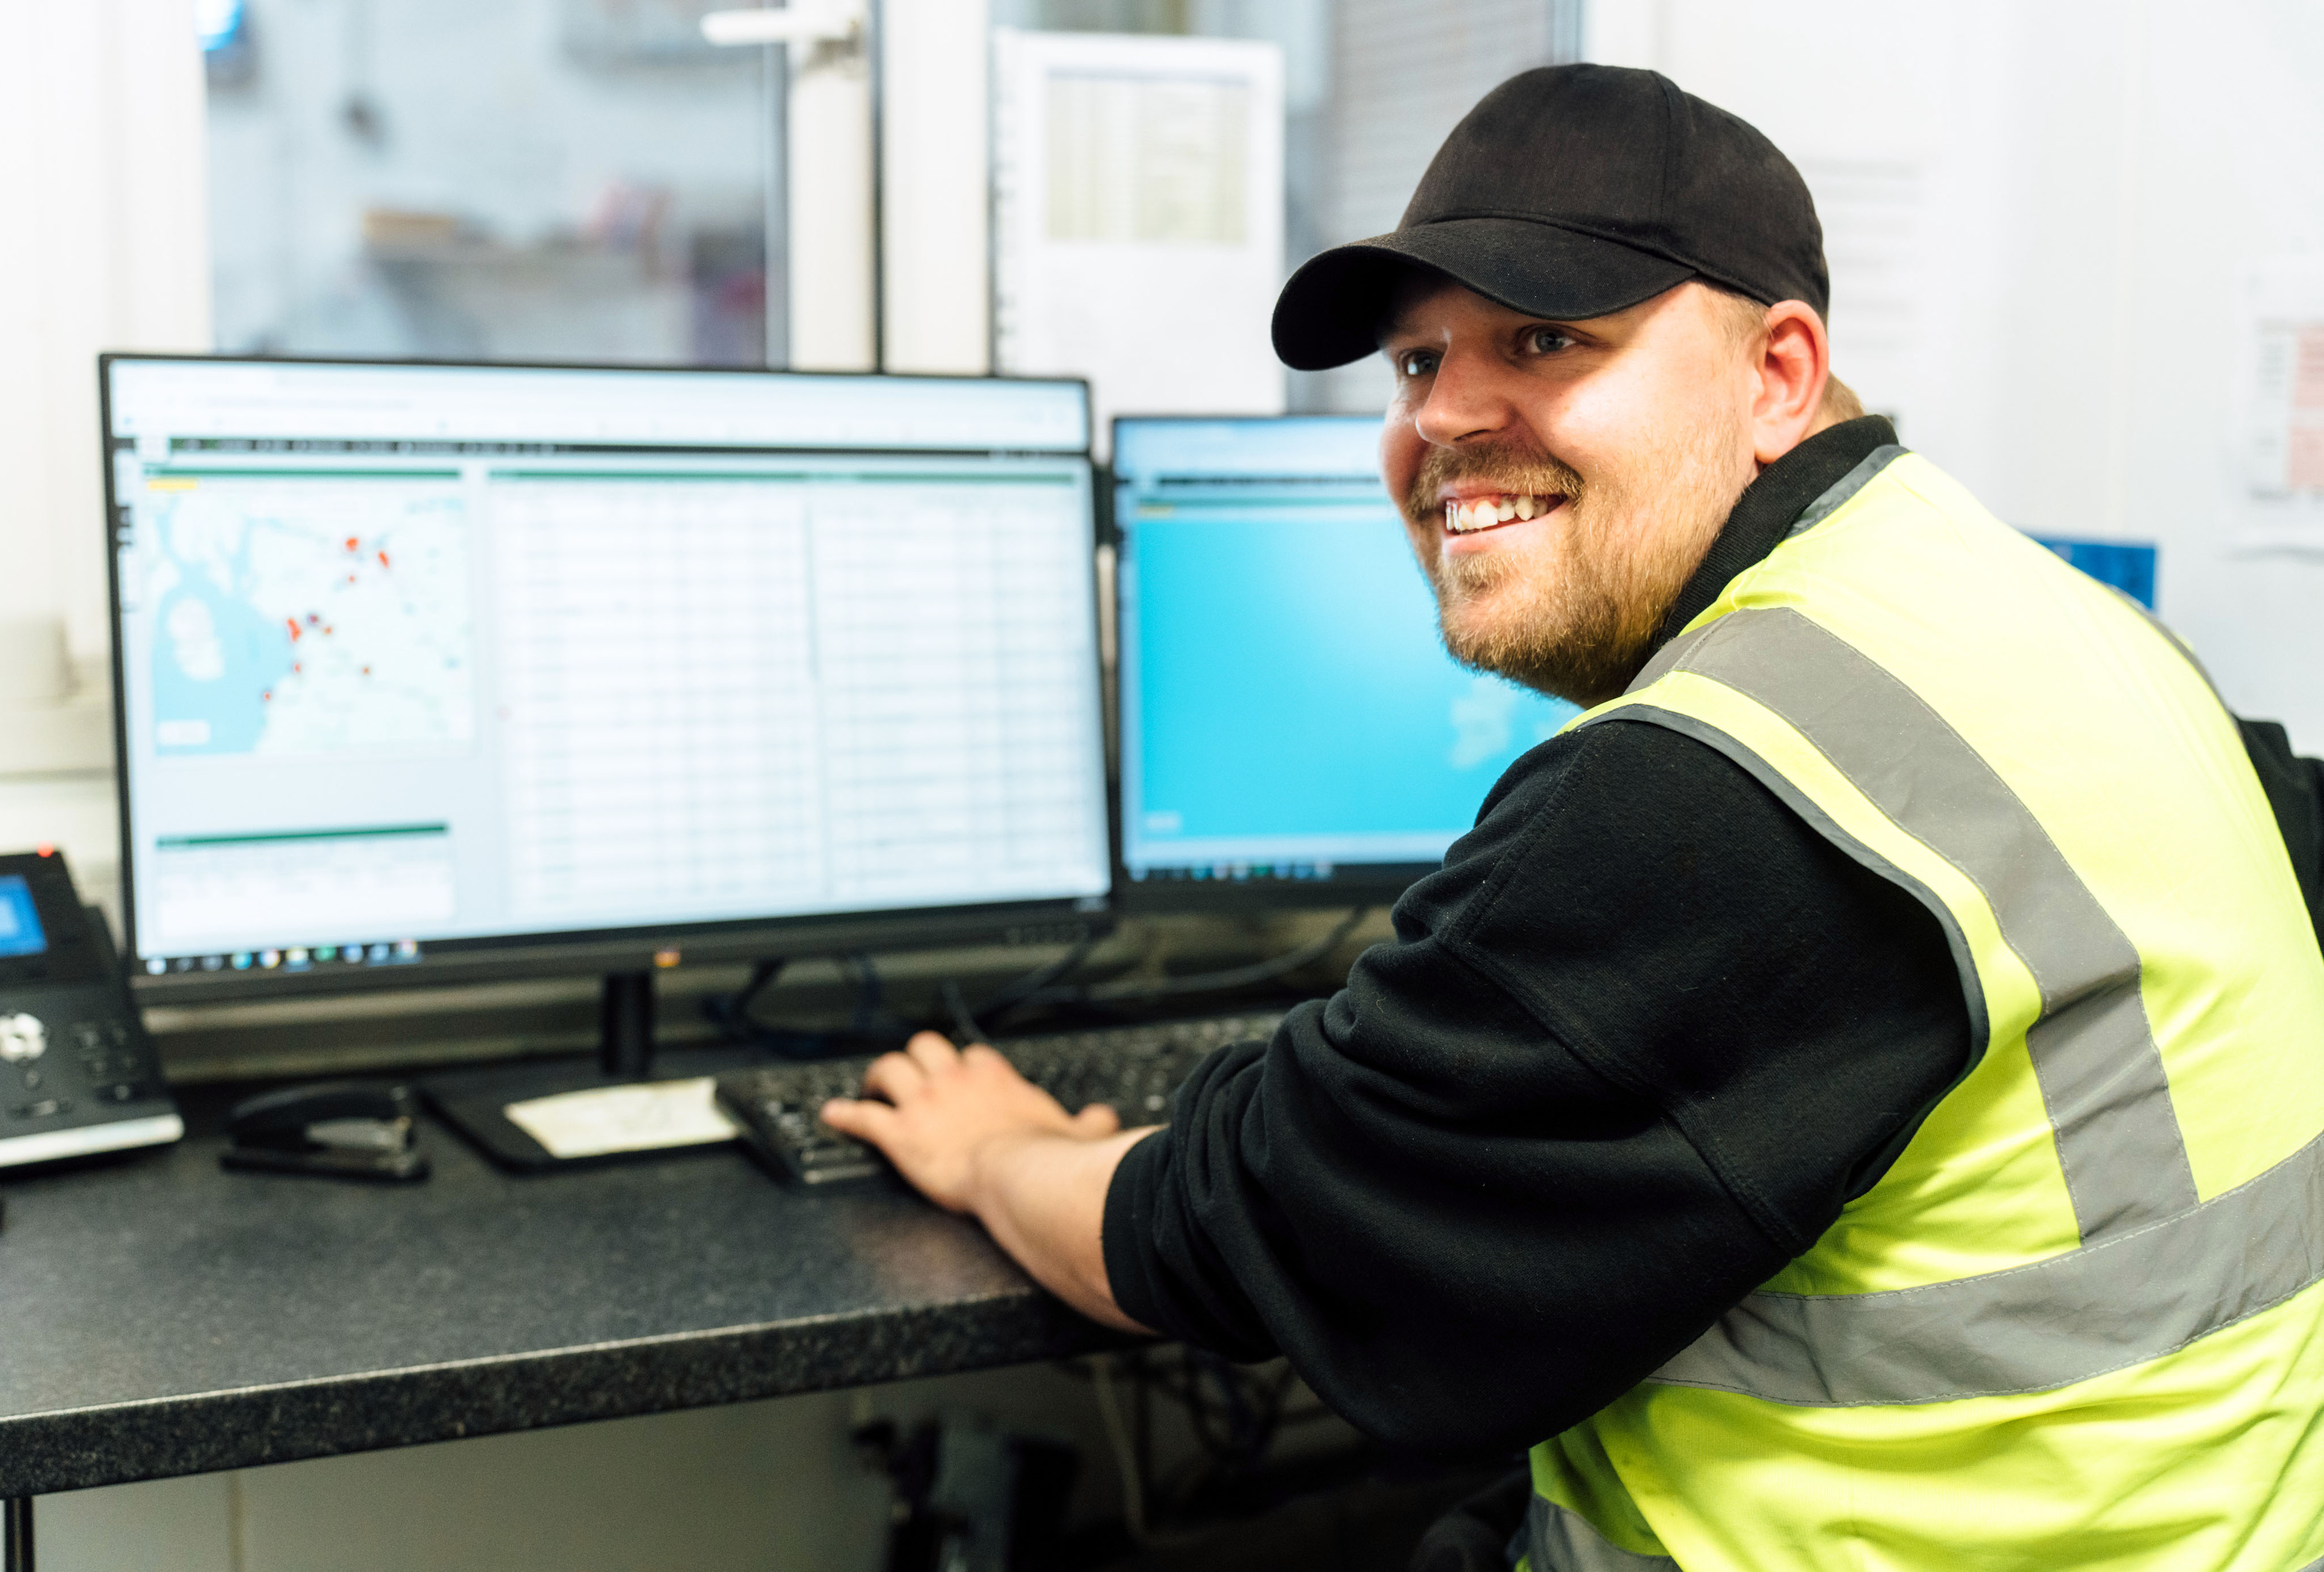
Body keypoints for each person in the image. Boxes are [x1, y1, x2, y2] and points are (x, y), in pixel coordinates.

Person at [822, 64, 2324, 1569]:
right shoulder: (2055, 617)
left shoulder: (1715, 789)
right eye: (1416, 363)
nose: (1448, 419)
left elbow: (1237, 1219)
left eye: (1548, 338)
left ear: (1779, 373)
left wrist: (997, 1149)